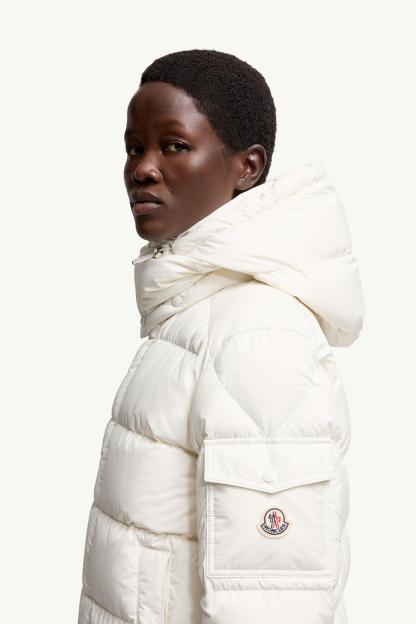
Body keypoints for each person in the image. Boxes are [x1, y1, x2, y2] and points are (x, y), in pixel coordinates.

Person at [77, 49, 364, 624]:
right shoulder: (194, 318)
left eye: (173, 145)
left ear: (247, 167)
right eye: (134, 147)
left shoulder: (257, 334)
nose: (142, 168)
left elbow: (271, 596)